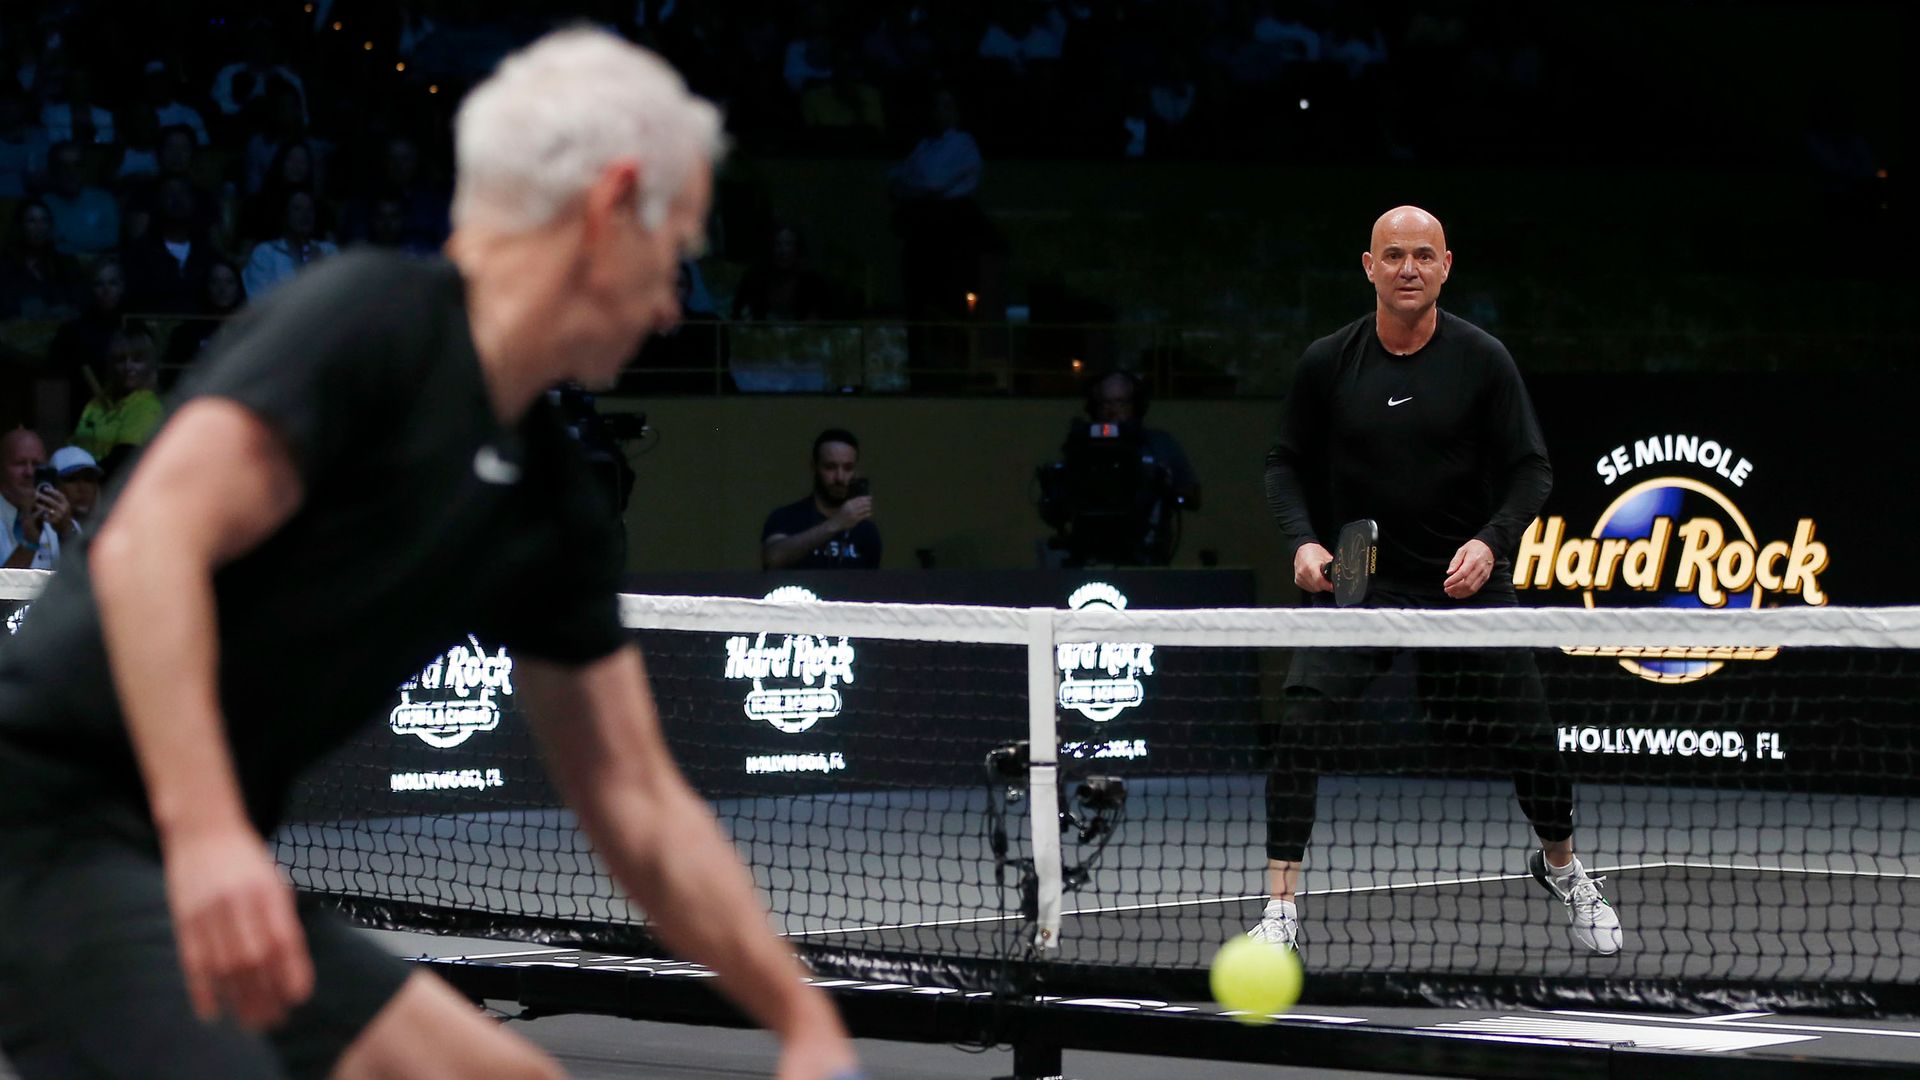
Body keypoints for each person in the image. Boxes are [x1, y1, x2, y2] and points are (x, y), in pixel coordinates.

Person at [0, 31, 863, 1078]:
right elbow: (149, 549)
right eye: (673, 250)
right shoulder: (367, 323)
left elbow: (635, 797)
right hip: (49, 834)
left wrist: (804, 1022)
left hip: (192, 856)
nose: (674, 304)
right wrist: (211, 835)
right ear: (609, 205)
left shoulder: (548, 497)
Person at [1253, 205, 1623, 957]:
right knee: (1299, 729)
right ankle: (1281, 908)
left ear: (1446, 266)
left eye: (1424, 255)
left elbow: (1532, 469)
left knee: (1533, 741)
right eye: (1394, 256)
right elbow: (1283, 463)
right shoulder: (1328, 361)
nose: (1409, 268)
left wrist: (1491, 543)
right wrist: (1303, 543)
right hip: (1359, 584)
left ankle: (1564, 868)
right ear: (1369, 267)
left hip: (1464, 583)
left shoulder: (1482, 359)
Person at [762, 428, 881, 570]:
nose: (840, 477)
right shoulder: (786, 517)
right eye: (830, 467)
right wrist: (836, 523)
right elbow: (773, 558)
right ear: (814, 467)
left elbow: (870, 585)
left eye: (848, 468)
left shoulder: (866, 531)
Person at [70, 321, 166, 473]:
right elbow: (73, 448)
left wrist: (79, 475)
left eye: (137, 360)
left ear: (149, 365)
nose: (128, 367)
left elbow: (122, 461)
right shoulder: (95, 404)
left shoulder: (147, 406)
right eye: (121, 360)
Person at [0, 429, 72, 569]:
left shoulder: (57, 514)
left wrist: (68, 533)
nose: (30, 472)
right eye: (20, 463)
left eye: (37, 465)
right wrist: (29, 543)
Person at [48, 445, 103, 533]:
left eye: (89, 479)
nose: (82, 488)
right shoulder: (40, 533)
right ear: (53, 486)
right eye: (71, 479)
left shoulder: (114, 530)